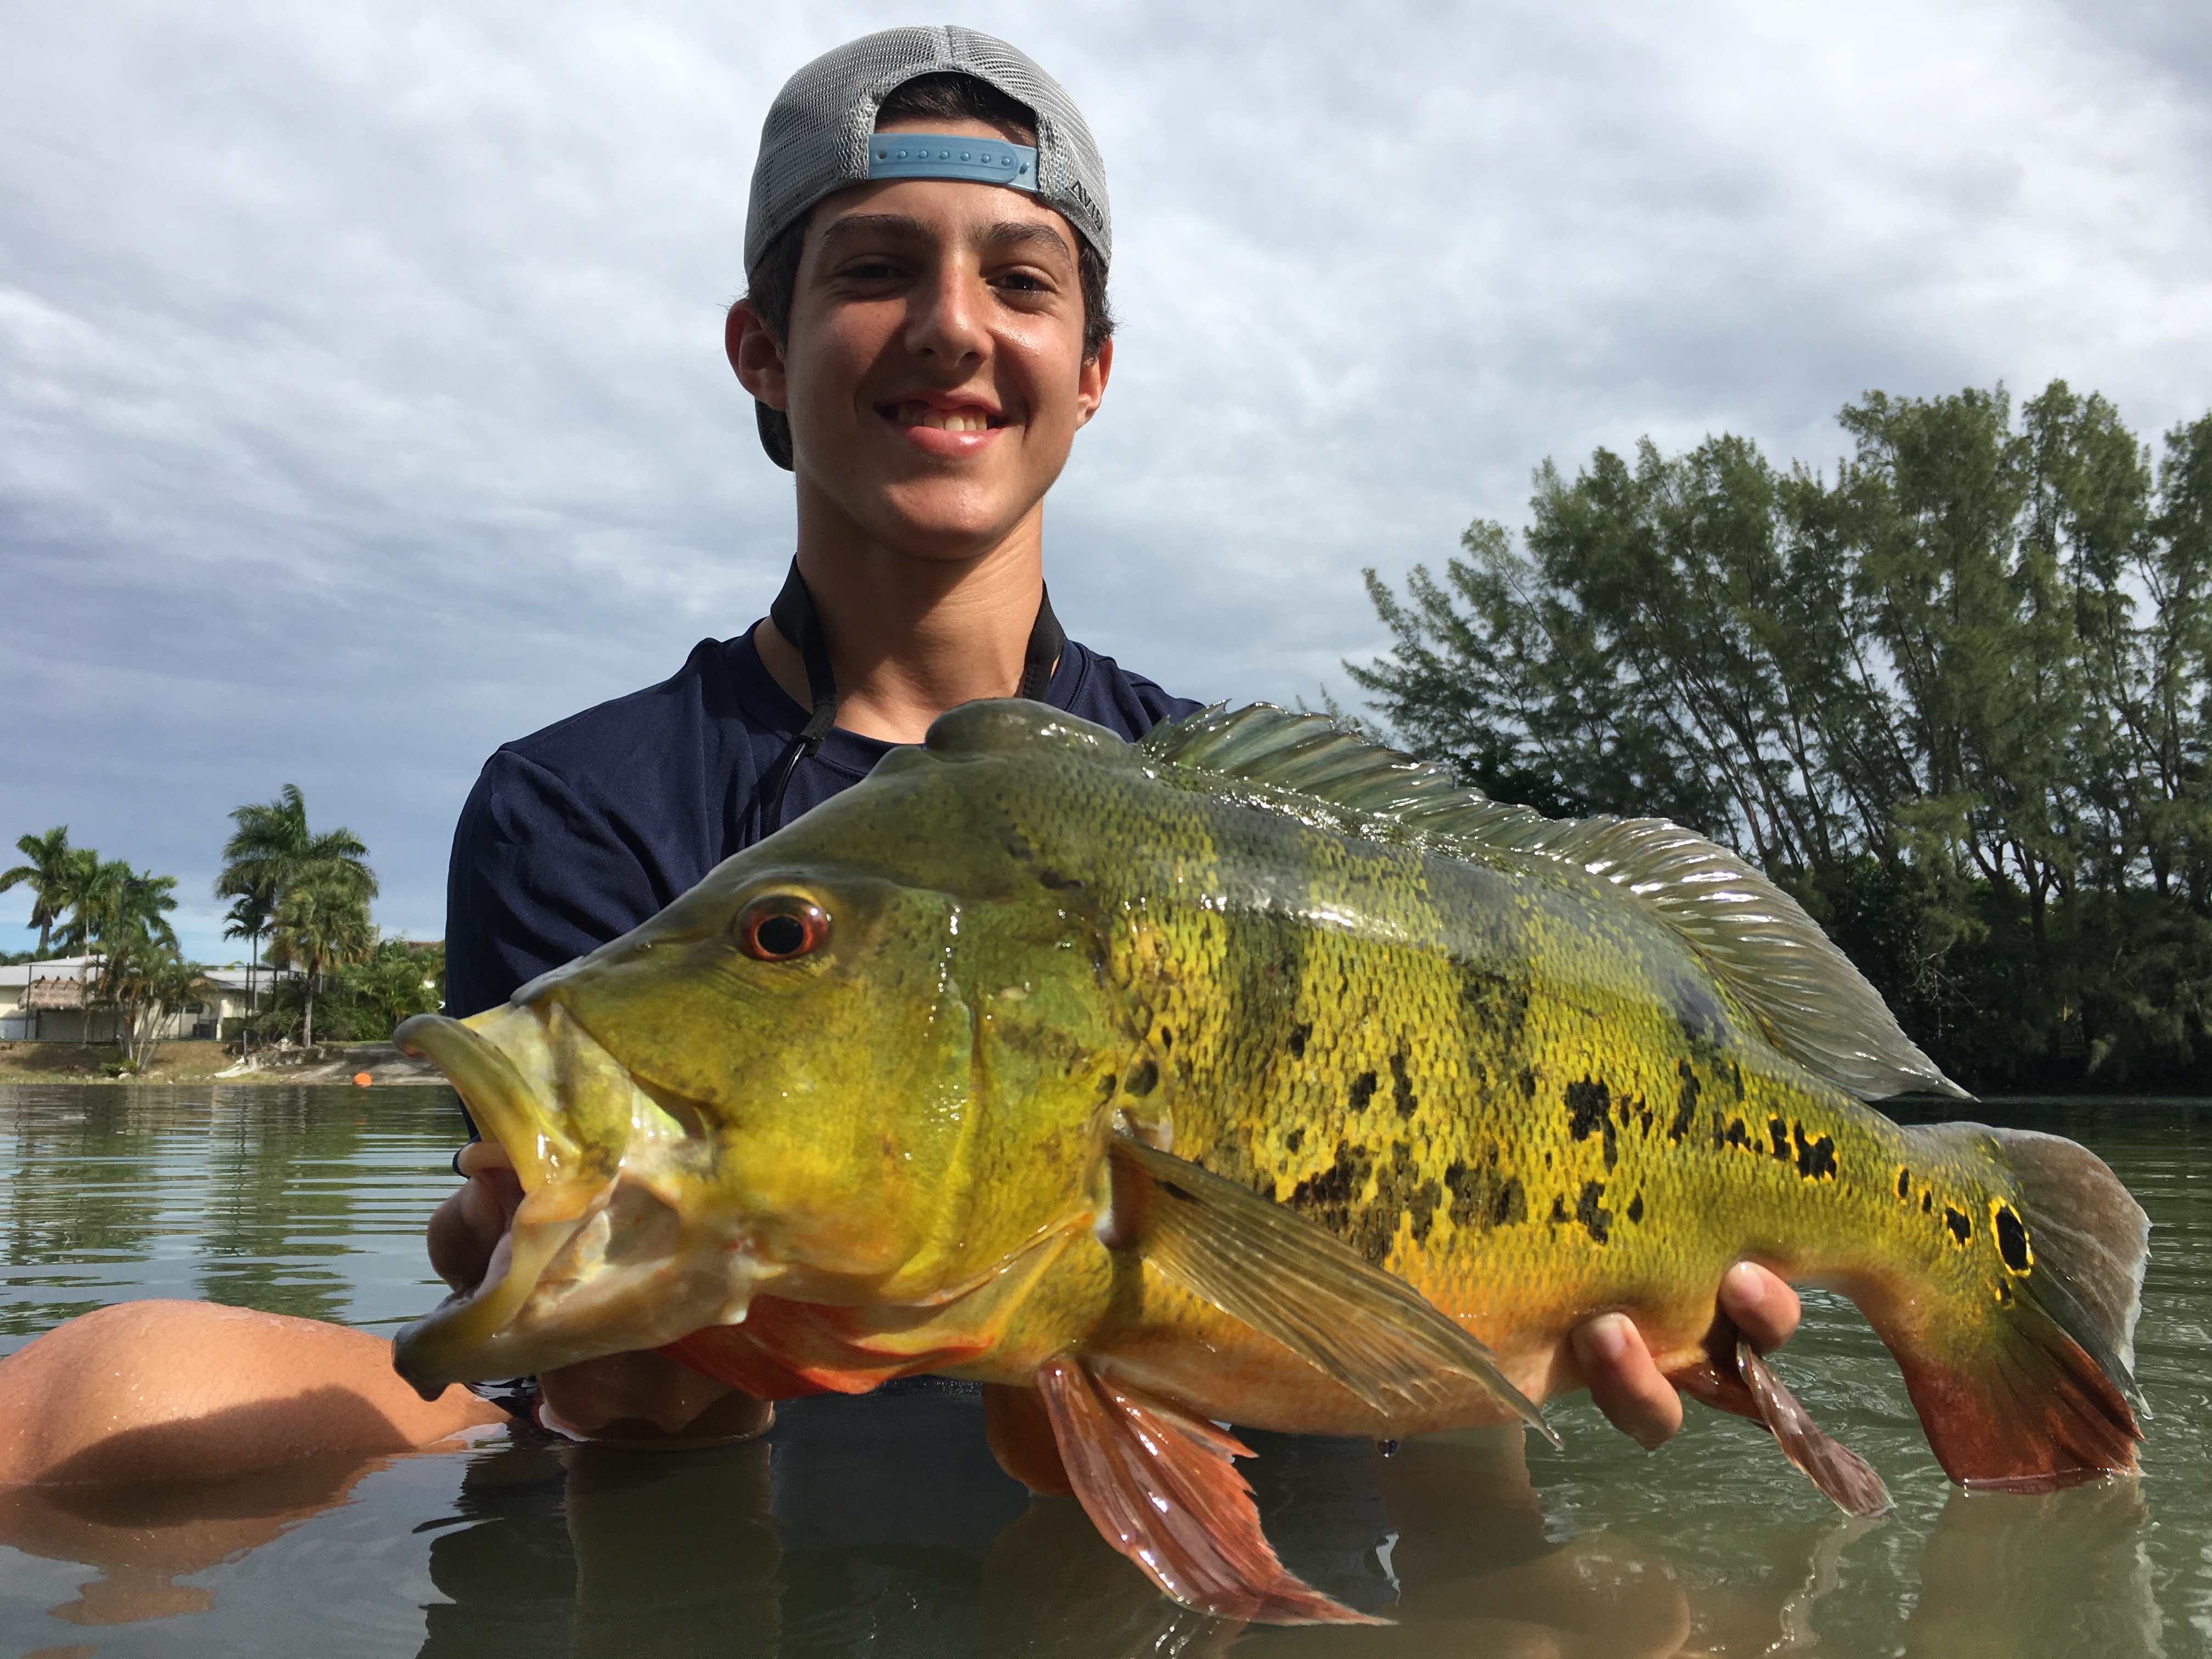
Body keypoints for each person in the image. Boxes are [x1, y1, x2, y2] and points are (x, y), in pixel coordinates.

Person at [0, 25, 1795, 1491]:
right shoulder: (581, 810)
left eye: (1020, 279)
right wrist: (606, 1396)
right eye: (876, 270)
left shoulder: (1229, 816)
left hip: (1263, 1505)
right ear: (762, 356)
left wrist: (1538, 1391)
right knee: (109, 1390)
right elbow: (603, 1386)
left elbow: (1437, 1434)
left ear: (1093, 372)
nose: (952, 325)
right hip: (786, 1519)